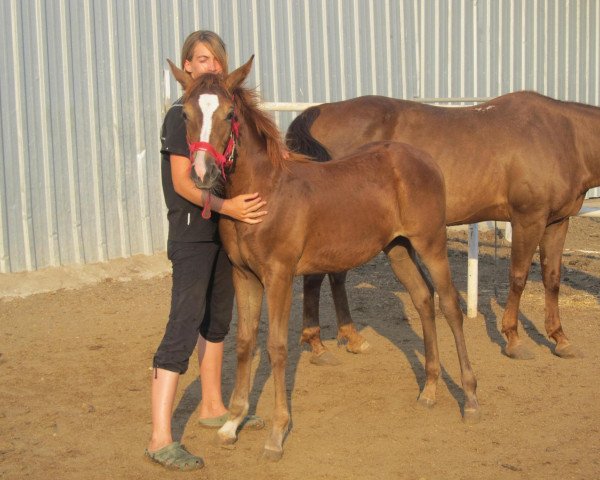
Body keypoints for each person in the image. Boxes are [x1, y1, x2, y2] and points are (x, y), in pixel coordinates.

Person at [145, 30, 267, 471]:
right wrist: (227, 204)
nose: (208, 66)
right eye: (200, 59)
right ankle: (160, 437)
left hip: (222, 233)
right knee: (182, 325)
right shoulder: (182, 115)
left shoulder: (222, 113)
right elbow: (182, 182)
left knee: (217, 322)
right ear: (187, 68)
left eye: (215, 59)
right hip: (193, 232)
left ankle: (212, 406)